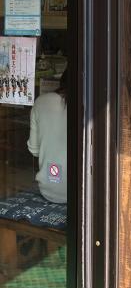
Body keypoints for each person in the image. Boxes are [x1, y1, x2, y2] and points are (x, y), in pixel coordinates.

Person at [27, 69, 67, 204]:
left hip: (47, 189)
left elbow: (34, 150)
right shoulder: (89, 104)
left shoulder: (41, 102)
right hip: (82, 194)